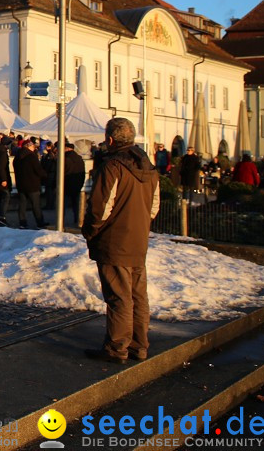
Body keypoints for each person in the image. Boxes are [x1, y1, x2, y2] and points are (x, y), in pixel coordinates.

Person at [82, 117, 160, 364]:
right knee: (138, 294)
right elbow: (154, 207)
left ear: (110, 139)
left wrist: (90, 231)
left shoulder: (113, 166)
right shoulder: (148, 166)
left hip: (114, 240)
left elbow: (100, 208)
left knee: (119, 295)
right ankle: (139, 345)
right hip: (138, 239)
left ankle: (117, 347)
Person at [13, 138, 47, 229]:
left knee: (22, 204)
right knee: (36, 205)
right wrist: (45, 176)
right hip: (32, 184)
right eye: (32, 146)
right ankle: (40, 222)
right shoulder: (31, 156)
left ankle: (22, 223)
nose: (34, 148)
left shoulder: (17, 157)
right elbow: (38, 170)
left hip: (21, 184)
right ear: (28, 146)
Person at [64, 142, 87, 224]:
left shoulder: (65, 158)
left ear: (67, 148)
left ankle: (61, 220)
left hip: (66, 184)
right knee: (76, 204)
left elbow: (62, 172)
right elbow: (83, 173)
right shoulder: (79, 159)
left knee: (63, 204)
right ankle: (78, 220)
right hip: (77, 184)